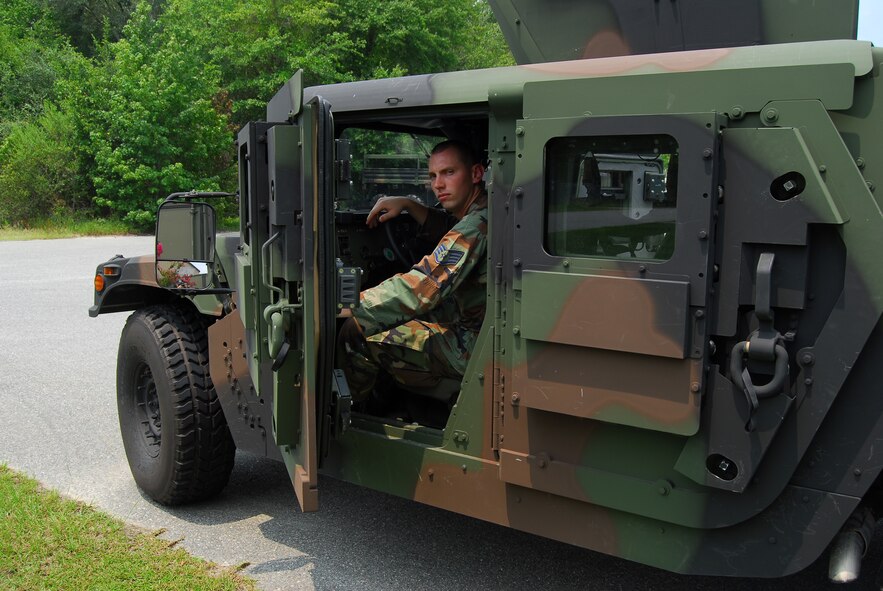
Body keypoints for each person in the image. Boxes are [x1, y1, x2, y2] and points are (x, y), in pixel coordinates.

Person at [337, 139, 488, 401]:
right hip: (483, 325)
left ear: (476, 174)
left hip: (476, 344)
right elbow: (450, 228)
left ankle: (355, 414)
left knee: (358, 332)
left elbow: (422, 287)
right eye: (433, 176)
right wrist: (408, 204)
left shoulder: (476, 225)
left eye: (449, 173)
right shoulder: (483, 210)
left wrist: (348, 304)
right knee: (400, 314)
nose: (438, 184)